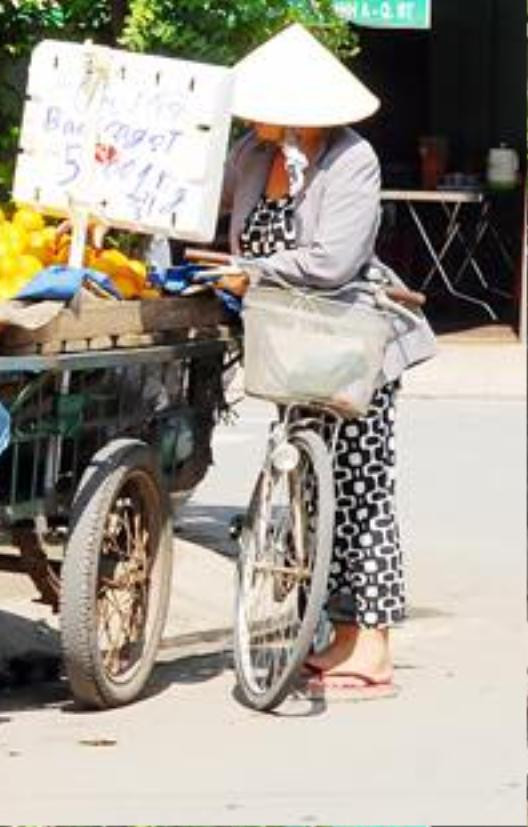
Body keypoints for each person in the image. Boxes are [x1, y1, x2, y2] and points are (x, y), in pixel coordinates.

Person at [211, 24, 436, 700]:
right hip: (288, 345)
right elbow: (204, 206)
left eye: (262, 104)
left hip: (350, 346)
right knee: (312, 487)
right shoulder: (254, 154)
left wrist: (252, 269)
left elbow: (334, 260)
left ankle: (373, 645)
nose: (250, 117)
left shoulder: (351, 160)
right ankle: (337, 630)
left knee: (362, 491)